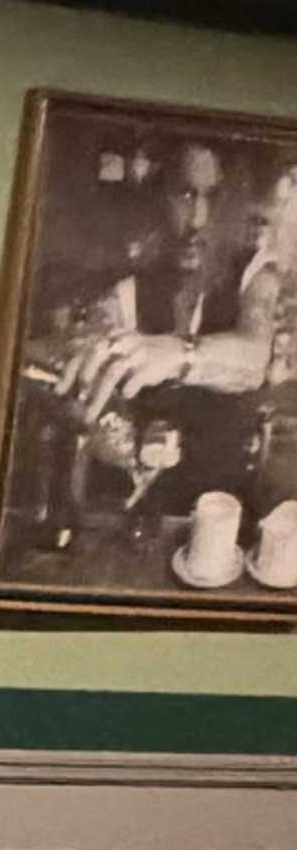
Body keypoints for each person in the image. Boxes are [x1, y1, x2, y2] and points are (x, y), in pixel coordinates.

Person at [58, 143, 297, 588]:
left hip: (227, 518)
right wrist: (104, 416)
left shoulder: (255, 274)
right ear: (160, 197)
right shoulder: (128, 289)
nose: (199, 220)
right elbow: (90, 364)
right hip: (147, 515)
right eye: (185, 196)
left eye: (214, 198)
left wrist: (179, 354)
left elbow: (252, 356)